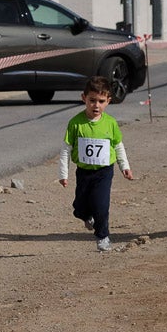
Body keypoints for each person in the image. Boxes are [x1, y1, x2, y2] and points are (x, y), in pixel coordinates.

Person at [58, 76, 134, 252]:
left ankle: (102, 236)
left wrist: (125, 167)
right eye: (92, 101)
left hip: (104, 172)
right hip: (83, 171)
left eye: (101, 101)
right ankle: (85, 216)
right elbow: (65, 149)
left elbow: (118, 145)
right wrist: (63, 174)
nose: (96, 105)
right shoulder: (76, 123)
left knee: (101, 204)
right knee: (79, 207)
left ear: (108, 101)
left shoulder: (110, 123)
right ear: (84, 98)